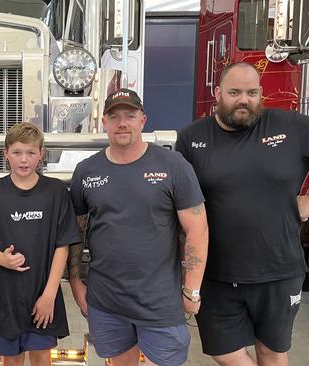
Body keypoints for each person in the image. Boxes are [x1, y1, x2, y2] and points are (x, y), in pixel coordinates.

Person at [176, 62, 309, 366]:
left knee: (271, 353)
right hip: (216, 273)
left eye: (251, 92)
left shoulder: (290, 128)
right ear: (217, 93)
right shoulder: (192, 138)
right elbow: (179, 201)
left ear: (261, 94)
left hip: (277, 269)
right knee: (222, 351)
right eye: (234, 92)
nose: (243, 100)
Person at [68, 88, 209, 366]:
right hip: (107, 301)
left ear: (142, 121)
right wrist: (75, 281)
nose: (122, 122)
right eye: (115, 116)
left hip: (159, 302)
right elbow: (76, 232)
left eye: (130, 116)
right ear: (104, 123)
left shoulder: (173, 166)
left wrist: (192, 290)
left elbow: (197, 230)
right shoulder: (86, 171)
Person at [0, 122, 81, 366]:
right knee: (11, 358)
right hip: (5, 297)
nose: (24, 160)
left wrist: (49, 295)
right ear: (5, 154)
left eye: (31, 153)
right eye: (17, 152)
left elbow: (63, 245)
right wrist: (1, 258)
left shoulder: (56, 191)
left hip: (43, 294)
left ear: (41, 154)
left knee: (41, 356)